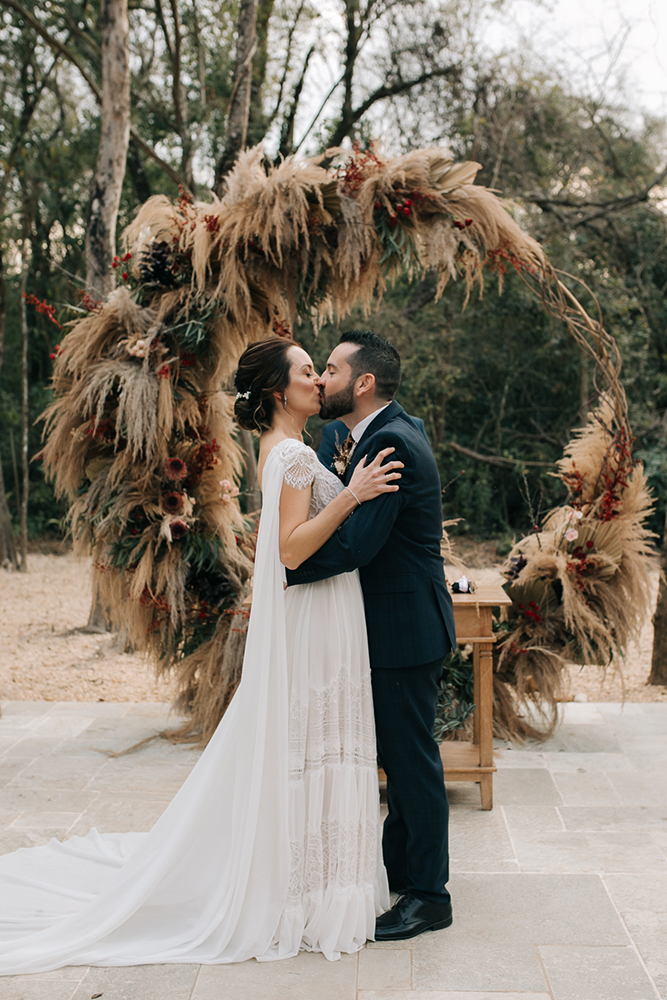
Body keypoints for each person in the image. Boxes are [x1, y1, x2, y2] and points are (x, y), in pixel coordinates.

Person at [0, 337, 404, 973]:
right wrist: (352, 494)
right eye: (306, 373)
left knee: (307, 743)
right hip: (317, 614)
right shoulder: (293, 456)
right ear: (280, 392)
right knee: (310, 743)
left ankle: (318, 888)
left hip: (325, 610)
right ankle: (310, 897)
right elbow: (292, 550)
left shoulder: (286, 451)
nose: (317, 381)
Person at [287, 329, 457, 942]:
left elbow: (359, 546)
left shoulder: (389, 442)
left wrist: (283, 565)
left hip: (403, 628)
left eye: (329, 370)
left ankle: (429, 896)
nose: (320, 379)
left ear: (362, 383)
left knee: (412, 763)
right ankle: (401, 872)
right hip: (395, 623)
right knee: (400, 758)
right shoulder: (378, 432)